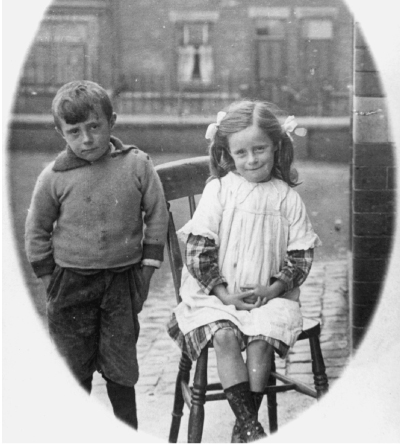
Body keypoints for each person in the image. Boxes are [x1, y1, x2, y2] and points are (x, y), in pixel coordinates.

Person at [167, 100, 321, 442]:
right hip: (216, 296)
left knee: (262, 340)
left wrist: (274, 289)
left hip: (268, 296)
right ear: (227, 155)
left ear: (277, 147)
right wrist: (224, 293)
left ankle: (244, 426)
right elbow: (198, 249)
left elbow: (301, 255)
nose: (252, 160)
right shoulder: (220, 190)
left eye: (260, 149)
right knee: (224, 335)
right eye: (242, 153)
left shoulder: (287, 198)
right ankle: (251, 426)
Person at [25, 80, 169, 430]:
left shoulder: (137, 165)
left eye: (94, 127)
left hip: (121, 281)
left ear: (112, 121)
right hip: (70, 284)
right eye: (74, 131)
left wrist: (146, 273)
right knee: (74, 369)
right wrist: (51, 280)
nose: (86, 139)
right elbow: (37, 230)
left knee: (121, 366)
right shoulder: (54, 177)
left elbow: (157, 215)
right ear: (61, 133)